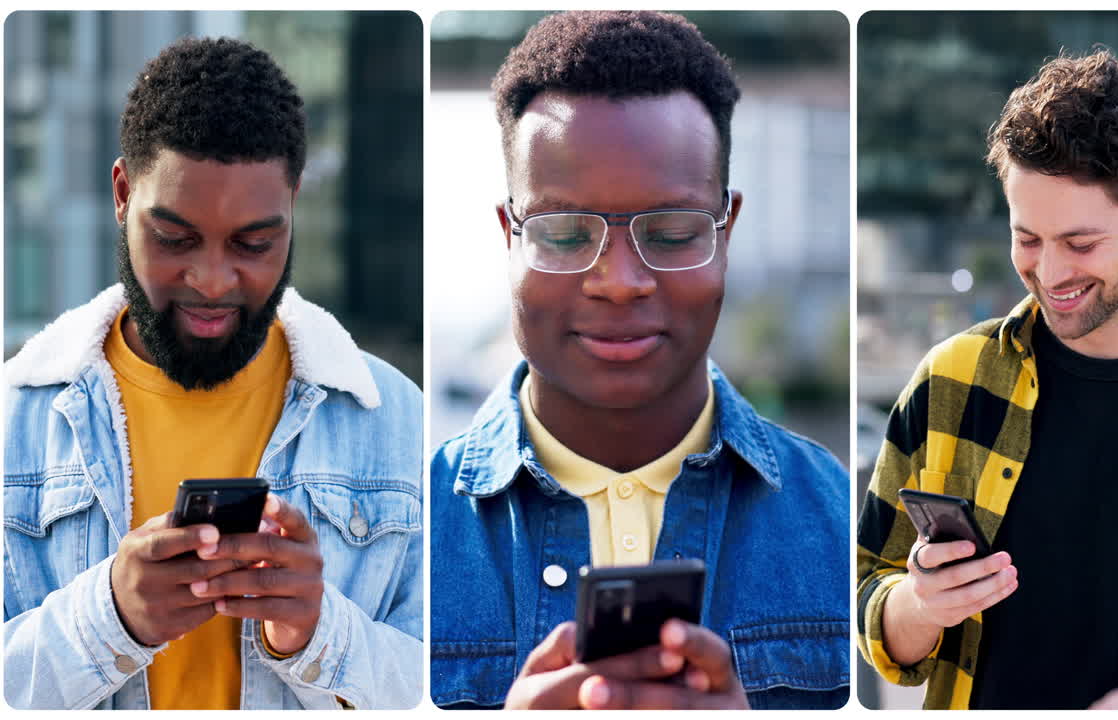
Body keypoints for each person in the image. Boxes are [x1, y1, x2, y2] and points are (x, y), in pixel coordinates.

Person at [430, 11, 850, 710]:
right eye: (564, 234)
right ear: (509, 236)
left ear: (726, 229)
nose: (619, 280)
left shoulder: (842, 523)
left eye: (672, 232)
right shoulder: (411, 540)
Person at [3, 37, 423, 710]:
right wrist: (107, 619)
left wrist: (317, 633)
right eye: (174, 239)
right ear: (120, 194)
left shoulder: (398, 418)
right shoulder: (13, 420)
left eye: (255, 244)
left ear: (294, 206)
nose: (211, 280)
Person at [857, 48, 1118, 710]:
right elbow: (869, 600)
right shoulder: (950, 380)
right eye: (1028, 239)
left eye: (1080, 244)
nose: (1051, 274)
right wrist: (919, 604)